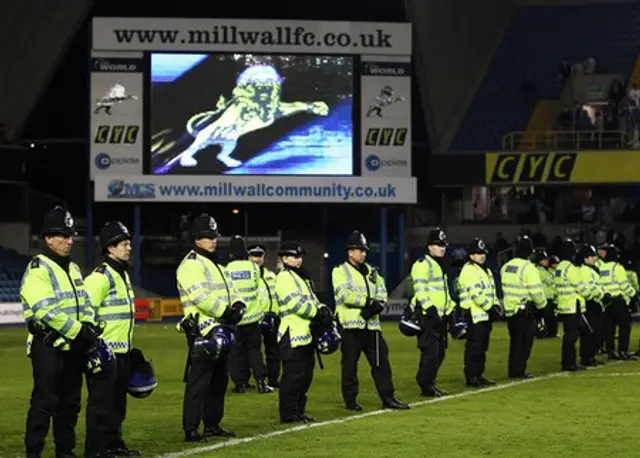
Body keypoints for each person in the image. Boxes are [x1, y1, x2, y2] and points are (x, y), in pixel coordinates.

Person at [21, 206, 99, 458]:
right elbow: (45, 310)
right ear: (48, 239)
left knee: (70, 404)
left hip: (73, 347)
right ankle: (34, 452)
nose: (69, 241)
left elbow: (85, 302)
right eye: (63, 236)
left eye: (70, 235)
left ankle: (66, 451)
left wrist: (87, 327)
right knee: (45, 402)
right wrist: (79, 331)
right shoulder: (38, 269)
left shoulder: (74, 268)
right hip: (48, 346)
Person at [176, 214, 245, 442]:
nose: (213, 240)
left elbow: (232, 289)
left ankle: (213, 424)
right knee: (199, 382)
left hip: (222, 330)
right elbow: (201, 297)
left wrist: (238, 305)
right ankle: (191, 428)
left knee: (219, 381)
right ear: (196, 239)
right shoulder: (191, 264)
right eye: (208, 237)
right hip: (203, 331)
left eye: (214, 236)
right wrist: (226, 311)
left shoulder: (216, 264)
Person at [332, 231, 409, 410]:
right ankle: (350, 401)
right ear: (350, 252)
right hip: (351, 326)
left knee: (382, 364)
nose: (364, 253)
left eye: (364, 250)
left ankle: (388, 398)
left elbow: (381, 290)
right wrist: (368, 304)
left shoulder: (372, 271)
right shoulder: (340, 271)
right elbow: (344, 295)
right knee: (350, 367)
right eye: (360, 250)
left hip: (372, 326)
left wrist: (378, 304)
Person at [83, 221, 141, 457]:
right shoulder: (100, 277)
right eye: (124, 244)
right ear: (110, 248)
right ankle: (95, 450)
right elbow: (86, 313)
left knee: (117, 404)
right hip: (104, 352)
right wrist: (92, 348)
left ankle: (114, 443)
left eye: (129, 244)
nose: (129, 248)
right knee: (101, 405)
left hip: (122, 351)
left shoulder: (122, 275)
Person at [275, 242, 334, 424]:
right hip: (291, 334)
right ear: (284, 259)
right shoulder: (284, 277)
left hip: (306, 335)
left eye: (300, 257)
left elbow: (313, 300)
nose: (298, 260)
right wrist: (318, 314)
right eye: (294, 256)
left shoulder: (301, 278)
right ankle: (288, 414)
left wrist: (324, 310)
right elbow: (295, 304)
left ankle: (299, 411)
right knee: (293, 377)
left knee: (305, 376)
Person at [409, 227, 454, 397]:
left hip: (439, 317)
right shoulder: (423, 264)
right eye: (437, 245)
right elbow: (420, 289)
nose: (442, 248)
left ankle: (429, 382)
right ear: (429, 247)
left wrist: (449, 311)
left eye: (443, 245)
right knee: (431, 352)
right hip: (427, 316)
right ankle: (425, 384)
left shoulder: (439, 266)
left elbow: (444, 293)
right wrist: (430, 308)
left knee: (440, 352)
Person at [227, 236, 273, 394]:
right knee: (255, 352)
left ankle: (240, 384)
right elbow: (261, 293)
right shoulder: (254, 268)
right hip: (253, 318)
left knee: (236, 353)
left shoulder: (227, 270)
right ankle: (261, 382)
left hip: (236, 320)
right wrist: (264, 312)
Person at [500, 236, 547, 379]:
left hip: (510, 311)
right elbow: (536, 292)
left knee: (515, 343)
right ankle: (519, 371)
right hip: (525, 311)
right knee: (524, 344)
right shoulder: (529, 268)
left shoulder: (506, 266)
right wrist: (542, 306)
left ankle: (513, 370)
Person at [458, 238, 498, 388]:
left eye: (483, 253)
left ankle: (479, 374)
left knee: (482, 347)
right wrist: (490, 307)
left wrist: (495, 305)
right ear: (471, 255)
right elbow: (476, 293)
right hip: (474, 315)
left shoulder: (485, 270)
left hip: (483, 315)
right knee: (474, 347)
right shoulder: (469, 270)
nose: (482, 256)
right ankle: (472, 376)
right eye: (478, 253)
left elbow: (492, 292)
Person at [248, 244, 281, 387]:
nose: (257, 259)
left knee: (274, 351)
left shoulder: (270, 275)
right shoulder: (247, 276)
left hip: (272, 317)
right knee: (253, 351)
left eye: (260, 256)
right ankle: (256, 379)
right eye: (254, 256)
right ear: (248, 257)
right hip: (255, 318)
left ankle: (273, 379)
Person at [554, 239, 590, 371]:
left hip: (563, 304)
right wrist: (589, 294)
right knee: (572, 336)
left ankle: (567, 362)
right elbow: (581, 287)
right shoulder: (570, 268)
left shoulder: (559, 267)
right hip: (573, 305)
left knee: (568, 335)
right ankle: (570, 363)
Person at [599, 244, 637, 360]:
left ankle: (611, 351)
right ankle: (622, 350)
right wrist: (634, 295)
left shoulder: (602, 268)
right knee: (625, 326)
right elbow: (624, 285)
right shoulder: (617, 268)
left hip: (606, 302)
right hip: (618, 301)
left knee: (609, 328)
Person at [578, 244, 607, 367]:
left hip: (595, 302)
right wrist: (601, 295)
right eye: (591, 256)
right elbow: (590, 287)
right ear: (585, 258)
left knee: (595, 331)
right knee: (590, 332)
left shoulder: (590, 269)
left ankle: (591, 356)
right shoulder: (584, 270)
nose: (594, 258)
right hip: (591, 303)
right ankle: (587, 357)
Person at [534, 249, 557, 338]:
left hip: (550, 297)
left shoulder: (547, 270)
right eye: (544, 260)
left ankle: (550, 333)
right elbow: (550, 281)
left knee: (550, 318)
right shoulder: (539, 271)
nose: (547, 261)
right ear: (539, 261)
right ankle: (543, 333)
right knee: (544, 318)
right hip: (544, 298)